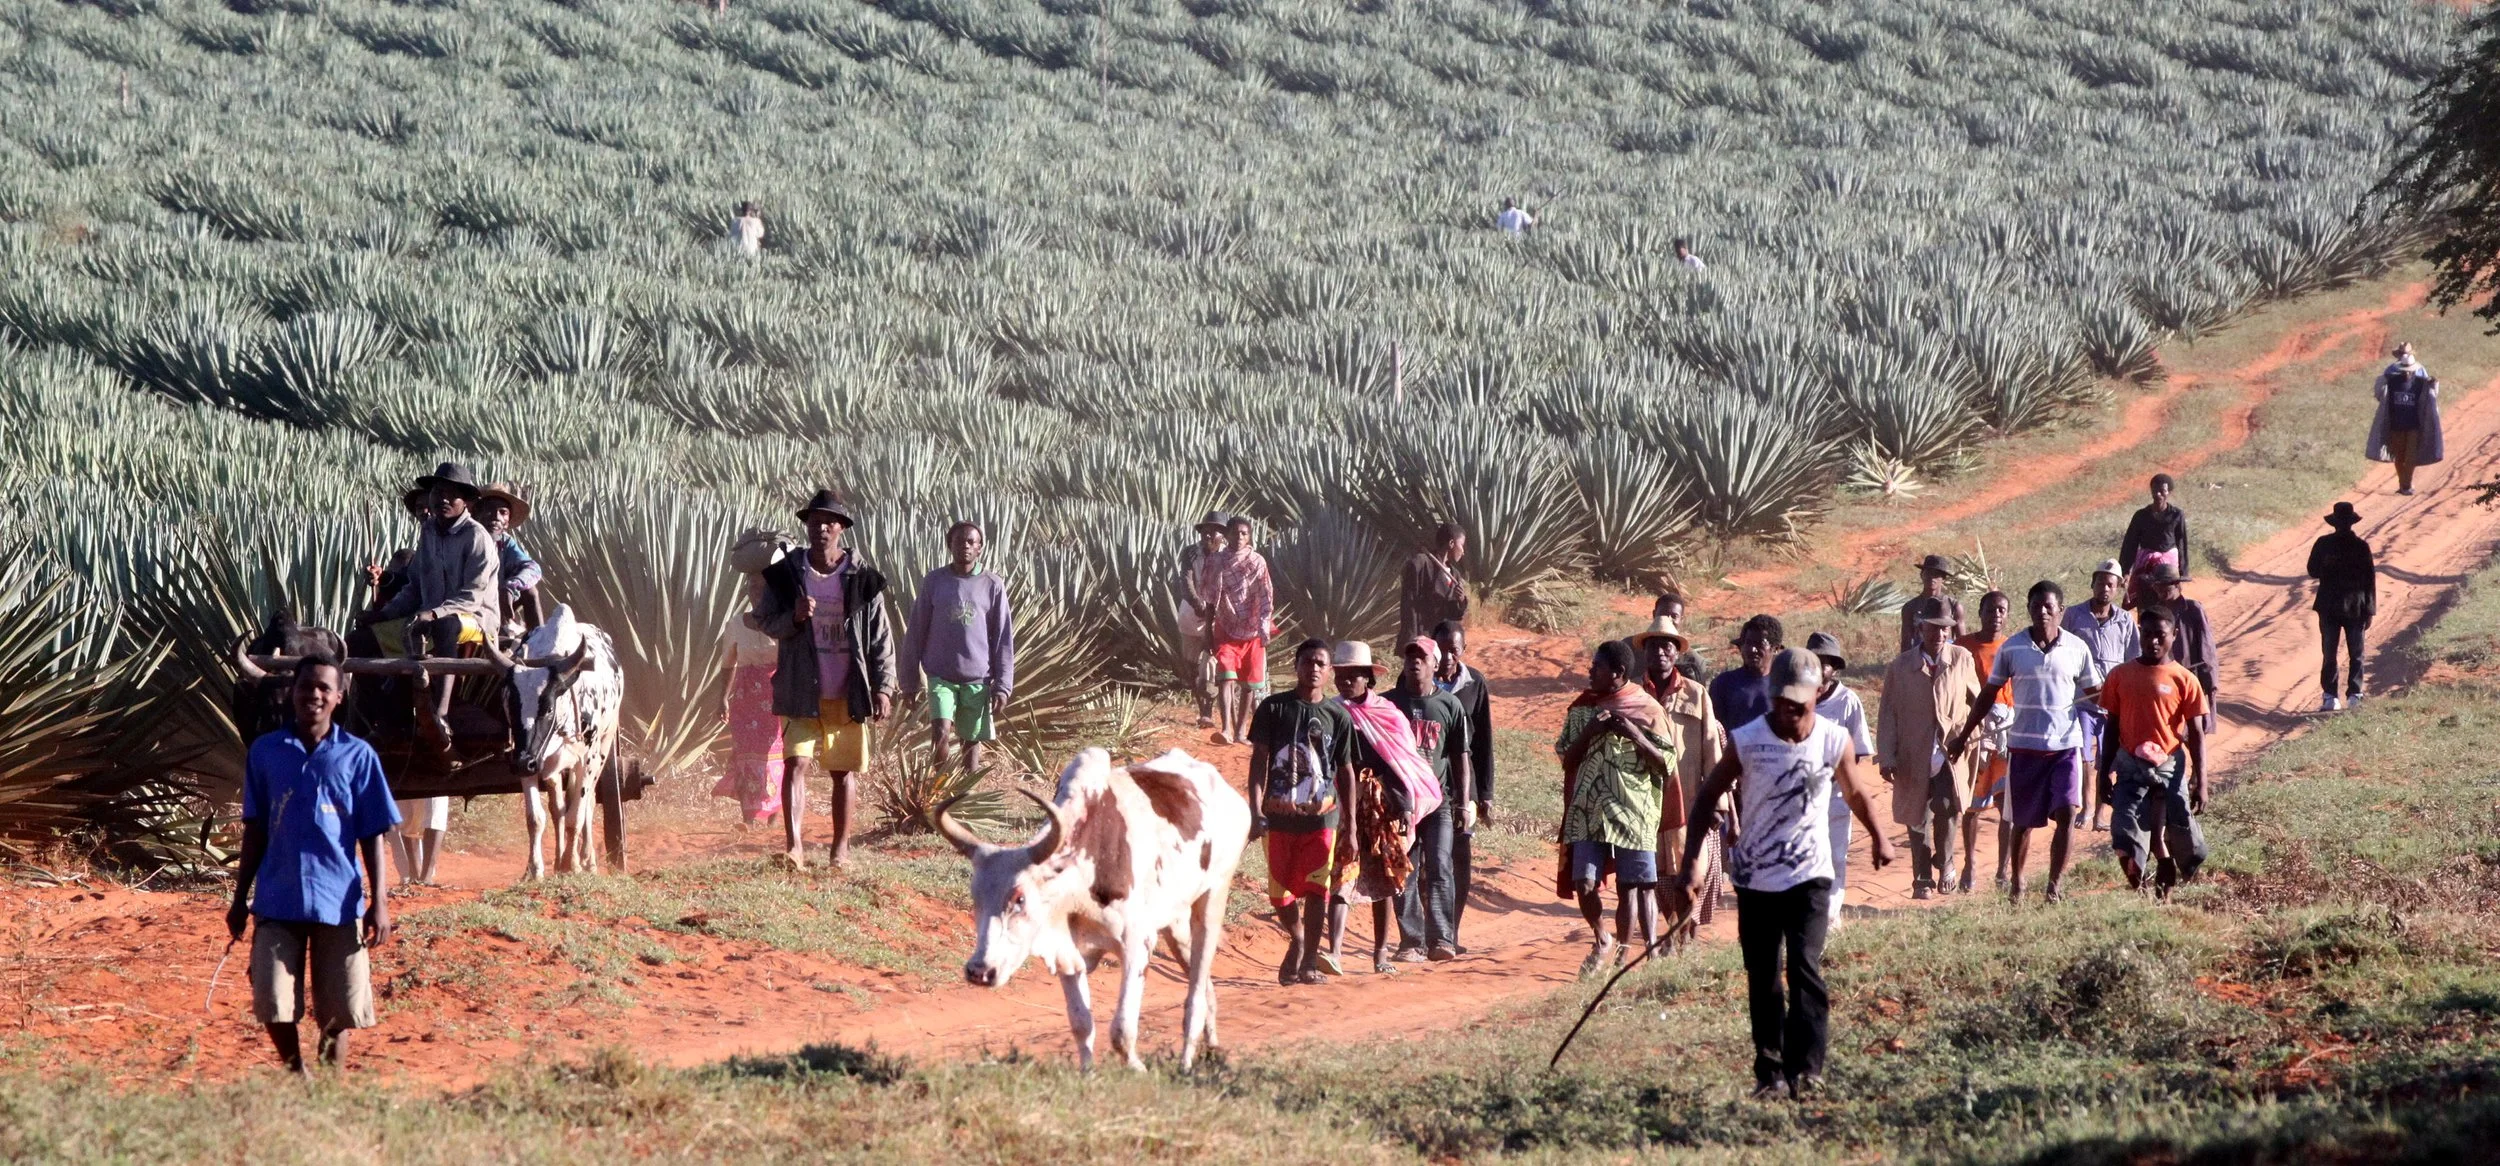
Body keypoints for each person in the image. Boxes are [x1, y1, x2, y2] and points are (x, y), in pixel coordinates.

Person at [1667, 648, 1895, 1101]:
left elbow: (1855, 791)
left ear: (1819, 694)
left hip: (1810, 874)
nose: (1788, 713)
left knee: (1805, 968)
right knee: (1763, 976)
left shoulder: (1833, 739)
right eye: (1780, 703)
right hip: (1755, 878)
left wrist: (1880, 838)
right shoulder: (1747, 739)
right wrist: (1693, 860)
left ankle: (1808, 1071)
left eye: (1799, 705)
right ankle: (1769, 1074)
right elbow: (1707, 796)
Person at [225, 653, 399, 1073]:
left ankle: (326, 1094)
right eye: (306, 686)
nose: (314, 695)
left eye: (324, 687)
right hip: (277, 896)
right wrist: (238, 898)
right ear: (292, 693)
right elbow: (256, 830)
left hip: (338, 899)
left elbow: (372, 833)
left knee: (338, 1013)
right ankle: (296, 1073)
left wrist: (380, 902)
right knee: (271, 999)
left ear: (339, 696)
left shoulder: (358, 757)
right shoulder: (266, 752)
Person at [754, 490, 896, 870]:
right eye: (814, 522)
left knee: (842, 771)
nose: (821, 529)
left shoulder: (863, 580)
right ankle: (794, 847)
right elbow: (766, 621)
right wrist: (795, 618)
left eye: (829, 522)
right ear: (806, 527)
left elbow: (880, 636)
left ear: (842, 529)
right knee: (795, 763)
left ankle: (840, 850)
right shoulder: (786, 576)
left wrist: (883, 686)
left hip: (848, 689)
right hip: (800, 687)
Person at [1948, 581, 2104, 904]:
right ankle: (2017, 886)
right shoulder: (2013, 649)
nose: (2043, 612)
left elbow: (2097, 693)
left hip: (2064, 748)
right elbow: (1988, 695)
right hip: (2024, 750)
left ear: (2061, 611)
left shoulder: (2078, 649)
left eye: (2050, 606)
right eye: (2036, 606)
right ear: (2029, 609)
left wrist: (2123, 696)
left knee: (2066, 814)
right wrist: (1964, 737)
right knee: (2022, 822)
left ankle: (2054, 886)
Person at [1555, 640, 1678, 977]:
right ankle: (1601, 936)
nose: (1590, 672)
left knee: (1634, 885)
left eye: (1597, 667)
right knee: (1583, 881)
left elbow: (1667, 762)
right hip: (1588, 809)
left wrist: (1635, 734)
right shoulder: (1582, 710)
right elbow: (1567, 759)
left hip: (1634, 810)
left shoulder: (1648, 709)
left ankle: (1627, 955)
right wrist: (1591, 730)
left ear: (1618, 673)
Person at [360, 462, 499, 749]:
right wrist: (384, 614)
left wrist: (434, 612)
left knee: (445, 624)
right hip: (427, 618)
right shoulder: (429, 533)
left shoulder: (477, 537)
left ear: (467, 502)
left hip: (475, 620)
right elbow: (414, 587)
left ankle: (442, 714)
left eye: (451, 494)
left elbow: (473, 596)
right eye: (438, 491)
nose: (443, 499)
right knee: (362, 640)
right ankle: (382, 719)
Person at [1327, 641, 1440, 976]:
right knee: (1342, 871)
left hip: (1382, 803)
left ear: (1368, 679)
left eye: (1353, 676)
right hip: (1342, 801)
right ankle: (1333, 952)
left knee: (1384, 876)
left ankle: (1380, 954)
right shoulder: (1332, 712)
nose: (1346, 682)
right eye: (1341, 676)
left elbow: (1400, 764)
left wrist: (1404, 808)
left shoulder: (1388, 715)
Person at [1246, 638, 1354, 986]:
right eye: (1307, 661)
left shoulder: (1338, 716)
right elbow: (1259, 762)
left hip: (1323, 818)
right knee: (1279, 895)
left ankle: (1309, 961)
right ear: (1296, 666)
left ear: (1330, 671)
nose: (1314, 668)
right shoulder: (1274, 708)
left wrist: (1350, 826)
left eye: (1321, 663)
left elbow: (1347, 772)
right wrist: (1254, 809)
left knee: (1317, 889)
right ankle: (1299, 939)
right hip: (1278, 818)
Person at [2096, 606, 2210, 898]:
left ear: (2173, 635)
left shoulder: (2184, 679)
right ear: (2139, 635)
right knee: (2125, 828)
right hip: (2130, 768)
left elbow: (2196, 734)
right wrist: (2102, 773)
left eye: (2160, 635)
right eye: (2147, 635)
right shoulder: (2120, 675)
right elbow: (2111, 728)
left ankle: (2166, 895)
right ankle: (2141, 893)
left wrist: (2201, 782)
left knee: (2176, 831)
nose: (2153, 642)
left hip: (2169, 769)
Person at [900, 521, 1016, 781]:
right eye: (958, 541)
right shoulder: (935, 581)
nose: (964, 546)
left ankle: (964, 796)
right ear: (949, 545)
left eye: (971, 542)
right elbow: (916, 632)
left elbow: (1003, 639)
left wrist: (1003, 685)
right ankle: (940, 788)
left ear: (980, 548)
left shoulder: (992, 585)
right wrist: (908, 681)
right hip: (940, 675)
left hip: (977, 678)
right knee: (940, 730)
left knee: (970, 742)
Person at [1878, 616, 1981, 900]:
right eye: (1933, 627)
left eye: (1945, 628)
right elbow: (1887, 713)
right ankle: (1921, 877)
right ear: (1921, 629)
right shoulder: (1900, 666)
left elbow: (1977, 701)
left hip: (1952, 749)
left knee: (1947, 806)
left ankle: (1946, 861)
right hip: (1912, 752)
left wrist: (1975, 735)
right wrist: (1886, 755)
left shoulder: (1961, 658)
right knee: (1917, 817)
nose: (1939, 633)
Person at [1637, 616, 1721, 944]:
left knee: (1690, 873)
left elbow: (1713, 750)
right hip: (1648, 804)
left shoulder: (1697, 694)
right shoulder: (1634, 696)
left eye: (1667, 646)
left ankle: (1689, 934)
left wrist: (1719, 801)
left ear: (1676, 653)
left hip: (1690, 803)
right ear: (1645, 652)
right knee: (1658, 876)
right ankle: (1671, 936)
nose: (1660, 651)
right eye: (1654, 645)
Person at [1389, 637, 1470, 964]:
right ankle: (1411, 941)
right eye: (1410, 656)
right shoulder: (1389, 704)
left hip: (1438, 804)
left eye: (1422, 657)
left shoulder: (1450, 706)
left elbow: (1460, 758)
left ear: (1436, 665)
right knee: (1403, 871)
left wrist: (1464, 803)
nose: (1415, 662)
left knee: (1440, 867)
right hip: (1399, 804)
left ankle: (1442, 939)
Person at [714, 530, 787, 827]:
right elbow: (727, 665)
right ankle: (749, 818)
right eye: (753, 588)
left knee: (774, 755)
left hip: (776, 696)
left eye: (763, 588)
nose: (758, 593)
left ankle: (773, 815)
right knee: (746, 756)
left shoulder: (782, 622)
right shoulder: (735, 624)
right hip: (745, 699)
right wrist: (722, 698)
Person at [2062, 560, 2142, 829]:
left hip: (2113, 703)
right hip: (2081, 700)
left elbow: (2134, 661)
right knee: (2084, 756)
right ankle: (2085, 809)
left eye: (2111, 584)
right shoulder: (2073, 615)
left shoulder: (2125, 621)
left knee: (2107, 758)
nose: (2105, 588)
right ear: (2092, 583)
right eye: (2100, 582)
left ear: (2118, 588)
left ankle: (2100, 813)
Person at [1804, 632, 1876, 921]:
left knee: (1835, 859)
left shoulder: (1848, 701)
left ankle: (1830, 918)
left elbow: (1857, 752)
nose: (1819, 668)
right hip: (1802, 800)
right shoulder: (1796, 696)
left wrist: (1836, 775)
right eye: (1814, 661)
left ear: (1835, 668)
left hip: (1836, 798)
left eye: (1825, 663)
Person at [1432, 620, 1494, 946]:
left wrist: (1485, 794)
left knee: (1459, 857)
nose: (1445, 657)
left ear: (1463, 651)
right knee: (1427, 858)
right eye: (1440, 649)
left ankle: (1450, 931)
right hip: (1427, 782)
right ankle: (1428, 930)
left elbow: (1484, 741)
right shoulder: (1415, 680)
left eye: (1453, 650)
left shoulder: (1475, 684)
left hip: (1462, 784)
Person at [1954, 591, 2016, 892]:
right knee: (1972, 805)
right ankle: (1969, 865)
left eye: (2002, 610)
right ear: (1980, 612)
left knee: (2007, 804)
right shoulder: (1963, 648)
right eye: (1990, 610)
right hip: (1976, 732)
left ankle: (2004, 869)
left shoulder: (2015, 647)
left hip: (2007, 732)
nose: (1996, 615)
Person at [1207, 515, 1274, 746]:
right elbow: (1210, 596)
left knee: (1248, 685)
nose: (1239, 537)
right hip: (1226, 626)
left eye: (1244, 533)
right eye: (1235, 533)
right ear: (1227, 535)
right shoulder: (1217, 561)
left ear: (1250, 536)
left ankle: (1240, 732)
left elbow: (1266, 594)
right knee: (1226, 675)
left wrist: (1264, 626)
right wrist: (1208, 628)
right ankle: (1226, 729)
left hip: (1252, 630)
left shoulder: (1257, 562)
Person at [2307, 502, 2377, 710]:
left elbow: (2312, 570)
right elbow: (2369, 580)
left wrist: (2370, 610)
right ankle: (2345, 695)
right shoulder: (2356, 546)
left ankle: (2339, 695)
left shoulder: (2329, 544)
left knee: (2336, 653)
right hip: (2349, 607)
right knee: (2348, 653)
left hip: (2336, 607)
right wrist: (2370, 610)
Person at [2143, 562, 2219, 735]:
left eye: (2165, 585)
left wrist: (2210, 681)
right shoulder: (2154, 613)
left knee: (2194, 731)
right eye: (2157, 585)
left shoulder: (2193, 609)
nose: (2160, 590)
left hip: (2190, 677)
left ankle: (2198, 762)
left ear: (2177, 585)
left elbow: (2207, 648)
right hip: (2163, 679)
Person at [2367, 343, 2444, 496]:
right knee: (2399, 456)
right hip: (2396, 424)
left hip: (2413, 424)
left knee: (2410, 458)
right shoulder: (2392, 378)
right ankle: (2404, 484)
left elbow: (2431, 396)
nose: (2408, 373)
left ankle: (2406, 485)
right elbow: (2380, 393)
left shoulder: (2420, 379)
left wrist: (2433, 384)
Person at [475, 482, 544, 640]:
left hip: (497, 604)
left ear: (508, 519)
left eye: (503, 512)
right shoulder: (466, 539)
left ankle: (538, 640)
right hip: (466, 605)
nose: (496, 517)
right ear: (476, 512)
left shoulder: (504, 543)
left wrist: (510, 587)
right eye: (489, 509)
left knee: (530, 591)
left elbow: (532, 568)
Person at [1180, 511, 1229, 729]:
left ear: (1223, 535)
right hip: (1192, 615)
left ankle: (1207, 712)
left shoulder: (1229, 555)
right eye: (1205, 532)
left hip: (1219, 617)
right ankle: (1201, 703)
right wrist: (1198, 604)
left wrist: (1216, 610)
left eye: (1214, 532)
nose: (1208, 536)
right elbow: (1186, 580)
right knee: (1190, 663)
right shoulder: (1191, 553)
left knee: (1210, 661)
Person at [2120, 474, 2190, 608]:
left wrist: (2183, 572)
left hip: (2169, 564)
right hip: (2146, 563)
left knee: (2170, 596)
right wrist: (2125, 571)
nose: (2158, 494)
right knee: (2141, 593)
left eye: (2162, 491)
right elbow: (2130, 543)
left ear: (2168, 492)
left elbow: (2182, 543)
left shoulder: (2176, 515)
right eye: (2155, 490)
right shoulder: (2141, 516)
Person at [1710, 614, 1782, 736]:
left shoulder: (1784, 686)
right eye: (1748, 643)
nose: (1752, 649)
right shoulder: (1723, 684)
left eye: (1759, 644)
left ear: (1775, 648)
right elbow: (1714, 731)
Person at [1399, 522, 1470, 644]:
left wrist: (1461, 600)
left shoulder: (1455, 574)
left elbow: (1453, 615)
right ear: (1451, 543)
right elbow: (1409, 606)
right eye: (1462, 545)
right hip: (1421, 639)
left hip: (1441, 641)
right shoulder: (1420, 564)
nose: (1463, 551)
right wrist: (1412, 643)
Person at [1898, 554, 1965, 651]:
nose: (1932, 577)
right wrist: (1906, 662)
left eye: (1937, 574)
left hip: (1946, 656)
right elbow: (1906, 640)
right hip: (1920, 657)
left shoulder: (1954, 606)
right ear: (1921, 575)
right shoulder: (1910, 607)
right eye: (1928, 572)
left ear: (1943, 578)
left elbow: (1962, 641)